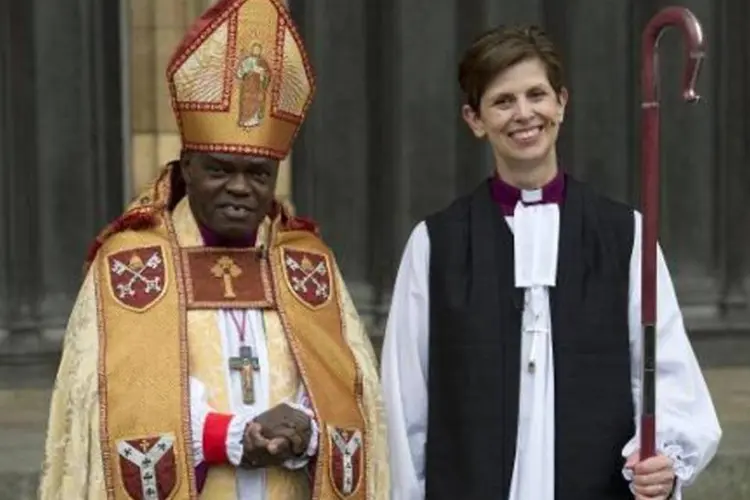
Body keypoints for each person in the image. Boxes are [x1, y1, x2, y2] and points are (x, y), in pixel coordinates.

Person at [38, 0, 389, 498]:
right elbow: (106, 404)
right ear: (187, 167)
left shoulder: (308, 264)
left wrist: (305, 427)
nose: (241, 188)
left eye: (258, 174)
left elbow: (354, 396)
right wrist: (228, 436)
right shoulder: (130, 265)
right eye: (221, 169)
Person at [380, 24, 721, 500]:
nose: (524, 114)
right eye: (502, 101)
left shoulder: (626, 235)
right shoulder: (435, 244)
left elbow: (666, 370)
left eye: (536, 94)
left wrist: (662, 458)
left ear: (561, 101)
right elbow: (405, 403)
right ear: (474, 119)